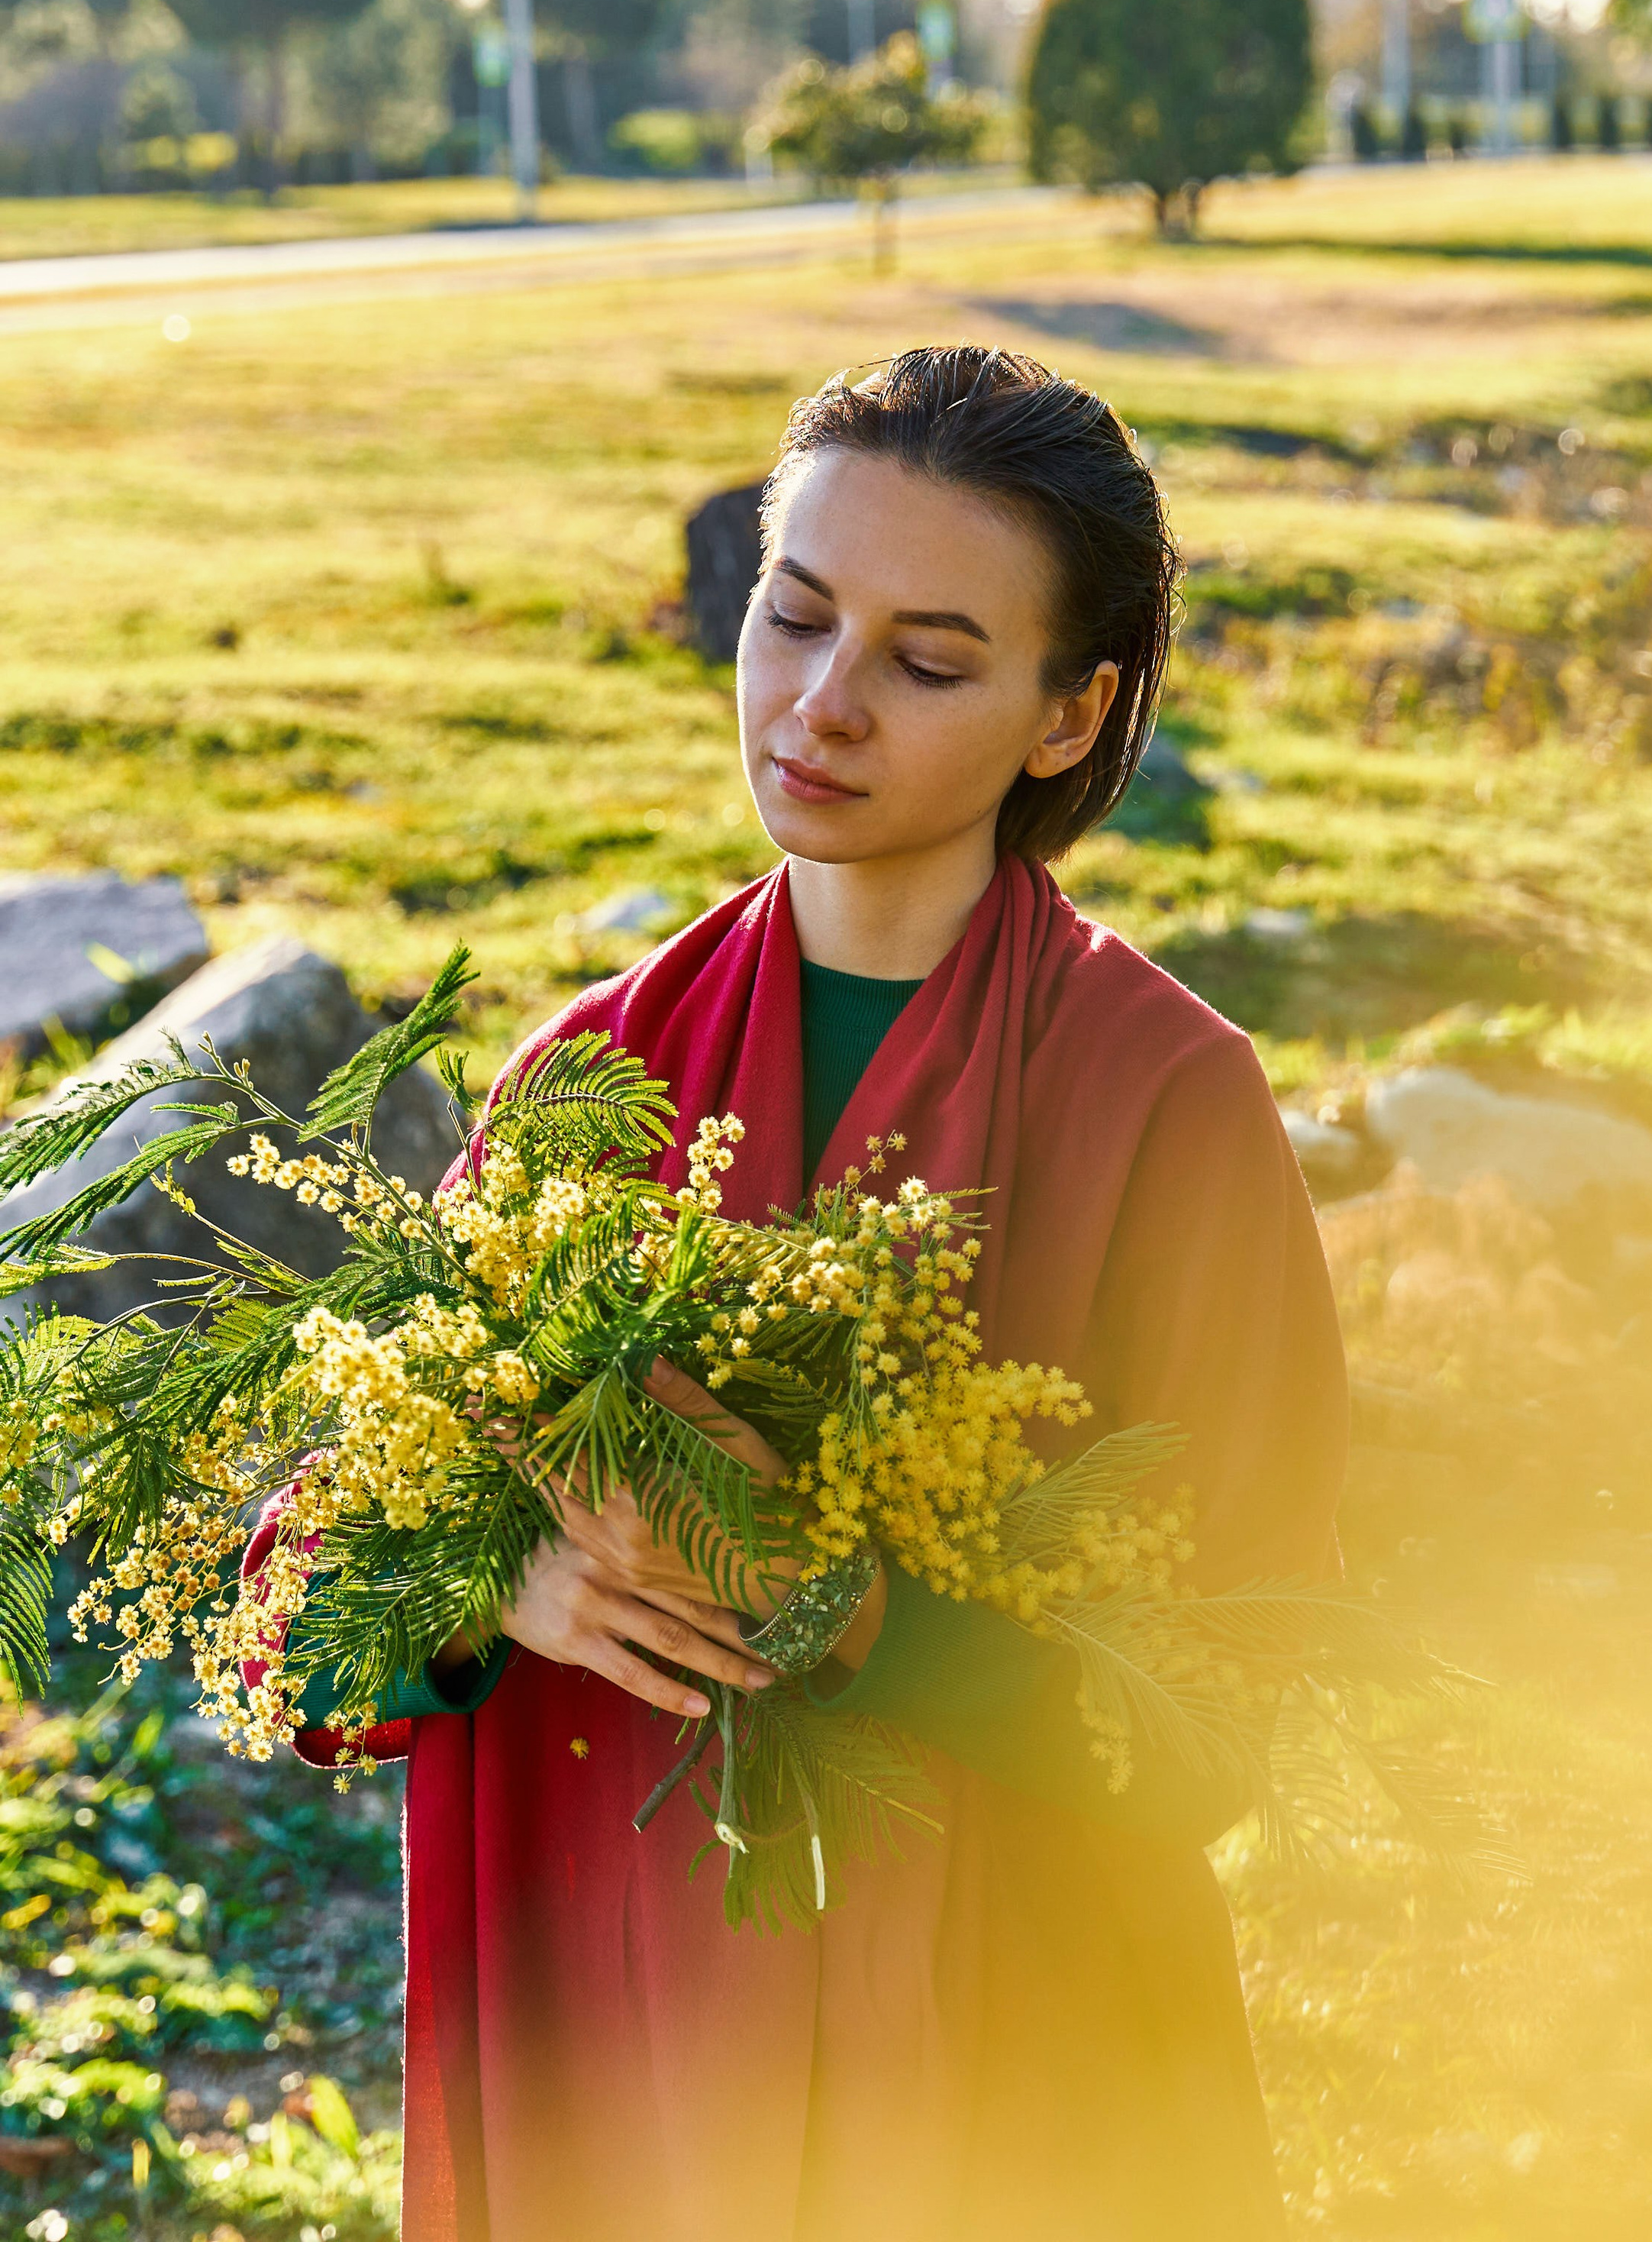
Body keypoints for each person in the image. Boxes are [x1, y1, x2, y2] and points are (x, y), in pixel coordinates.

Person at [262, 346, 1347, 2242]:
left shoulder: (1161, 1104)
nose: (821, 705)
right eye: (792, 615)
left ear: (1064, 715)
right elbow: (300, 1613)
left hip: (1007, 2073)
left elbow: (1212, 1720)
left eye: (928, 663)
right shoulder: (587, 1076)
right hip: (611, 2041)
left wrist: (823, 1600)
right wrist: (502, 1572)